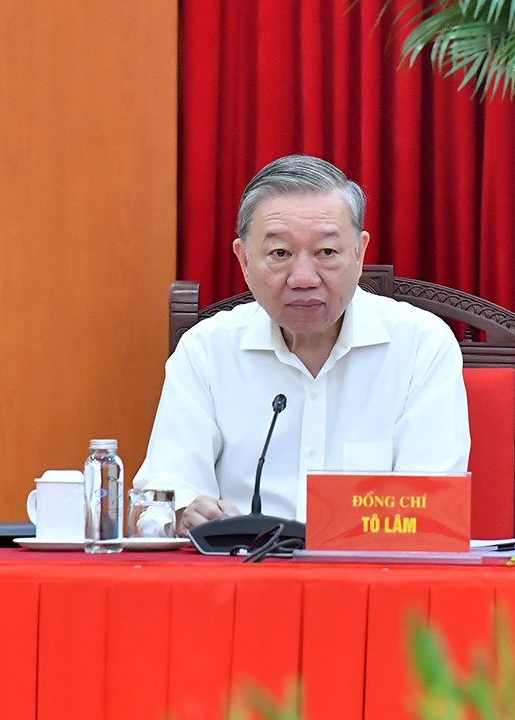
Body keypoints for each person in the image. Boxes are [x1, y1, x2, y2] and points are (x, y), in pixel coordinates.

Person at [138, 155, 471, 532]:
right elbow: (163, 496)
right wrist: (182, 513)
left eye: (326, 252)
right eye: (279, 253)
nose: (303, 278)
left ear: (359, 254)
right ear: (244, 260)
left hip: (373, 582)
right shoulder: (206, 350)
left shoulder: (421, 346)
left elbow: (428, 509)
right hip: (238, 578)